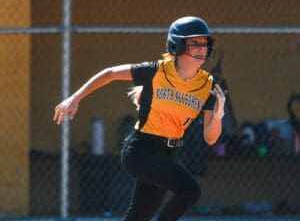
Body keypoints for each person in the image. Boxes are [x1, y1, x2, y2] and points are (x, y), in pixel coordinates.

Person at [53, 16, 226, 221]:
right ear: (177, 45)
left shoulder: (208, 84)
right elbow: (110, 73)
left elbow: (211, 138)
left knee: (138, 216)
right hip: (141, 150)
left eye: (204, 43)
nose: (201, 48)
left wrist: (217, 116)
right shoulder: (157, 71)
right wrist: (75, 98)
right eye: (194, 42)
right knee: (190, 191)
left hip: (168, 153)